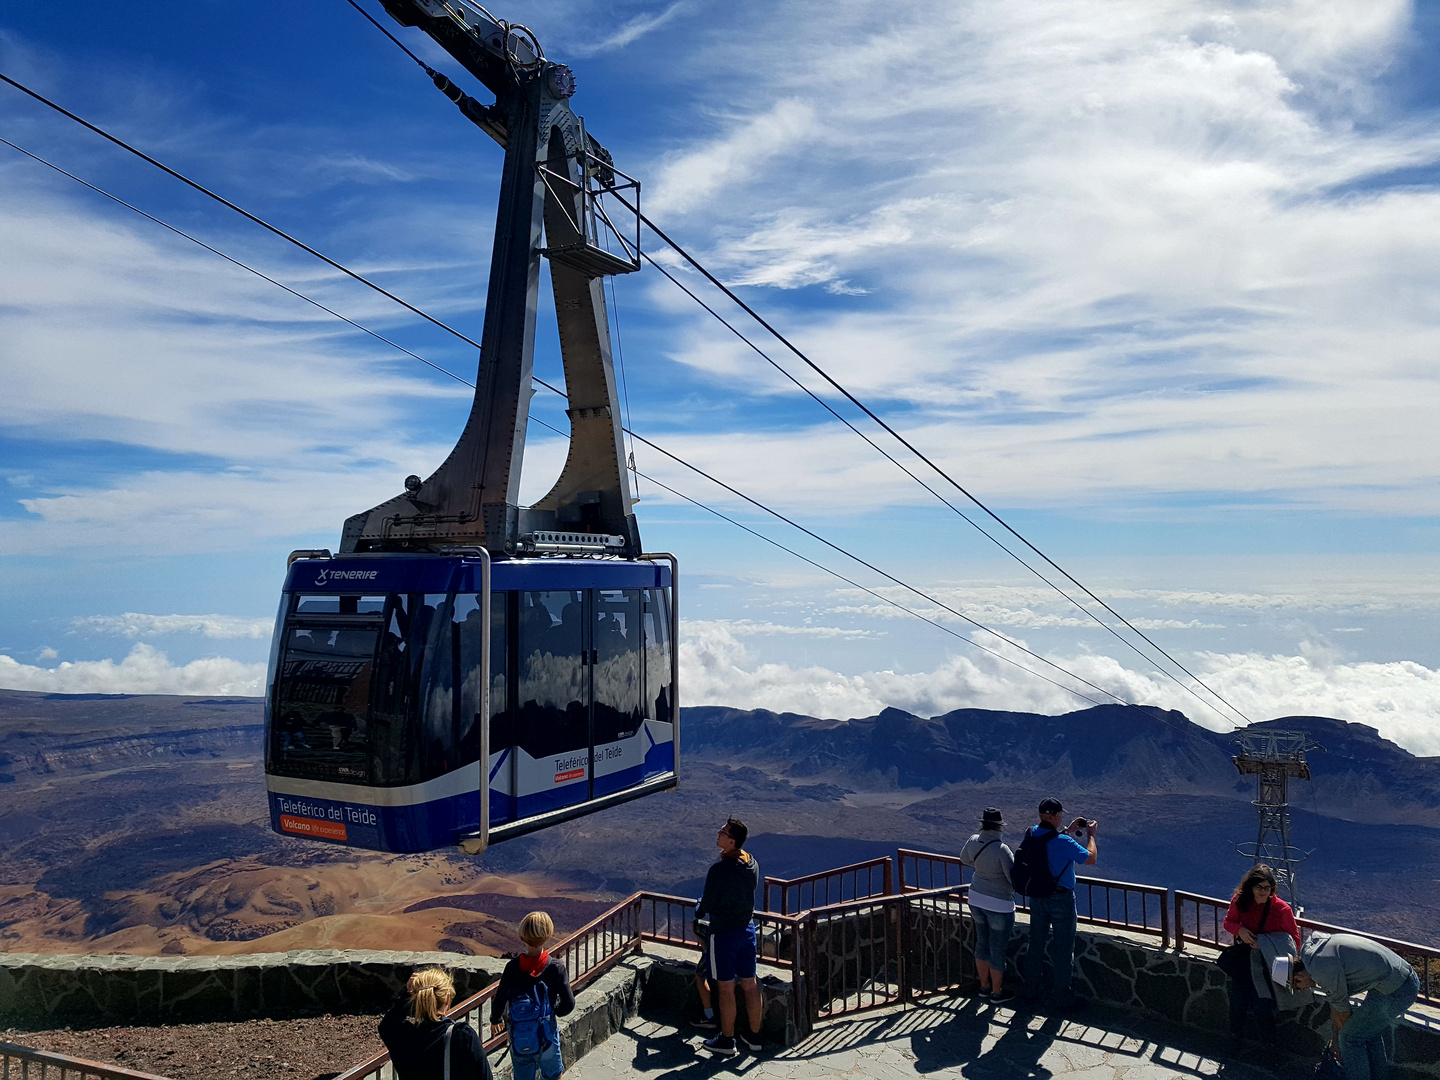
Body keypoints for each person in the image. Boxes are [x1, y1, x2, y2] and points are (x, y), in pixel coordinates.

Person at [1275, 933, 1420, 1080]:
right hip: (1395, 980)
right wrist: (1334, 1040)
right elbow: (1336, 1003)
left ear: (1298, 978)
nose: (1303, 989)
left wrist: (1338, 1043)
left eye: (1298, 987)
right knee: (1368, 1034)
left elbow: (1344, 1014)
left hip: (1398, 989)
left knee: (1350, 1038)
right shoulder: (1313, 956)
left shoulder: (1321, 971)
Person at [694, 816, 763, 1057]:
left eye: (723, 831)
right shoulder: (752, 863)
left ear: (731, 841)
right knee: (750, 984)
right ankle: (754, 1037)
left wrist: (698, 910)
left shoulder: (720, 870)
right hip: (747, 930)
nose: (718, 832)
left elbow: (708, 904)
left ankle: (726, 1040)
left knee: (725, 988)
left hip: (723, 934)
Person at [1019, 797, 1096, 1011]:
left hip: (1037, 896)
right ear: (1053, 816)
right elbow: (1089, 858)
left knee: (1036, 943)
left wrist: (1067, 830)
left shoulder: (1032, 833)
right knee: (1063, 947)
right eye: (1060, 815)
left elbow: (1048, 843)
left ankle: (1030, 991)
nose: (1061, 818)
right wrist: (1090, 835)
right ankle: (1061, 997)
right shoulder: (1064, 842)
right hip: (1061, 898)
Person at [490, 911, 576, 1080]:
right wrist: (554, 1010)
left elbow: (500, 997)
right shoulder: (556, 968)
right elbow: (569, 1003)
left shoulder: (512, 968)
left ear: (523, 935)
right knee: (553, 1075)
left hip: (520, 1036)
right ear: (548, 934)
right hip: (547, 1036)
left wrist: (495, 1019)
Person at [1221, 865, 1300, 1048]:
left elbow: (1293, 939)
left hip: (1270, 964)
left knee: (1262, 1006)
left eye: (1267, 888)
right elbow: (1229, 921)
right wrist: (1239, 930)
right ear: (1250, 887)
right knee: (1238, 1003)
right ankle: (1235, 1041)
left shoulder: (1282, 909)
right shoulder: (1240, 901)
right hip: (1246, 962)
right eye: (1259, 887)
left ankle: (1269, 1047)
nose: (1264, 892)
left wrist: (1265, 943)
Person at [379, 967, 493, 1079]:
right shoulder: (462, 1036)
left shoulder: (403, 1037)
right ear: (447, 999)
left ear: (416, 999)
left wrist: (407, 993)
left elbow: (388, 1025)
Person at [960, 807, 1016, 1004]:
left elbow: (964, 859)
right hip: (1000, 904)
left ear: (982, 824)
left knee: (982, 943)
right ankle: (997, 992)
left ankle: (984, 987)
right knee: (997, 949)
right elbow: (1012, 877)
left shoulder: (973, 840)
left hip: (976, 898)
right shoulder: (1002, 849)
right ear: (999, 826)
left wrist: (982, 868)